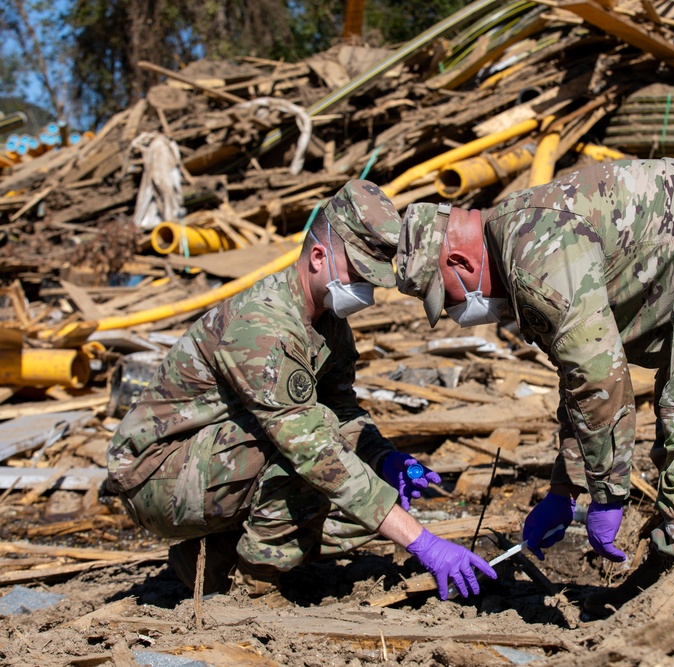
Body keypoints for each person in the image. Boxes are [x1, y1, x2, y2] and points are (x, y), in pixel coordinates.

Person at [395, 158, 674, 605]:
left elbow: (600, 379)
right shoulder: (518, 243)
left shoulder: (535, 254)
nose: (456, 314)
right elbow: (578, 379)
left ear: (459, 258)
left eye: (446, 296)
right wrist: (566, 488)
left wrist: (607, 497)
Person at [106, 179, 496, 600]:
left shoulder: (329, 324)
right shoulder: (264, 325)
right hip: (156, 476)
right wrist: (423, 542)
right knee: (320, 450)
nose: (366, 291)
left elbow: (345, 412)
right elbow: (311, 448)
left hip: (214, 465)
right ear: (317, 256)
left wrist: (386, 460)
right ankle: (252, 587)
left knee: (365, 492)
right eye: (360, 275)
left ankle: (215, 557)